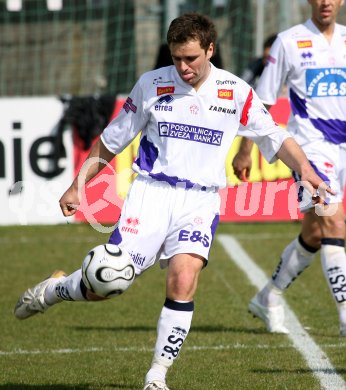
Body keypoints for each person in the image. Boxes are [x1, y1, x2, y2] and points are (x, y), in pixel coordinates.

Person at [14, 12, 333, 390]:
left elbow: (276, 138)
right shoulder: (151, 85)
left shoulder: (236, 92)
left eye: (191, 59)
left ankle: (156, 376)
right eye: (176, 58)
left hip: (199, 203)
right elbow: (111, 141)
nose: (182, 67)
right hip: (151, 195)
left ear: (210, 50)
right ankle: (54, 290)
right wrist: (77, 187)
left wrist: (308, 172)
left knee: (183, 278)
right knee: (105, 286)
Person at [232, 0, 346, 336]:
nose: (325, 2)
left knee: (314, 233)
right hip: (309, 149)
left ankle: (269, 296)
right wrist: (245, 150)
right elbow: (263, 101)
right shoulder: (289, 41)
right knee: (334, 219)